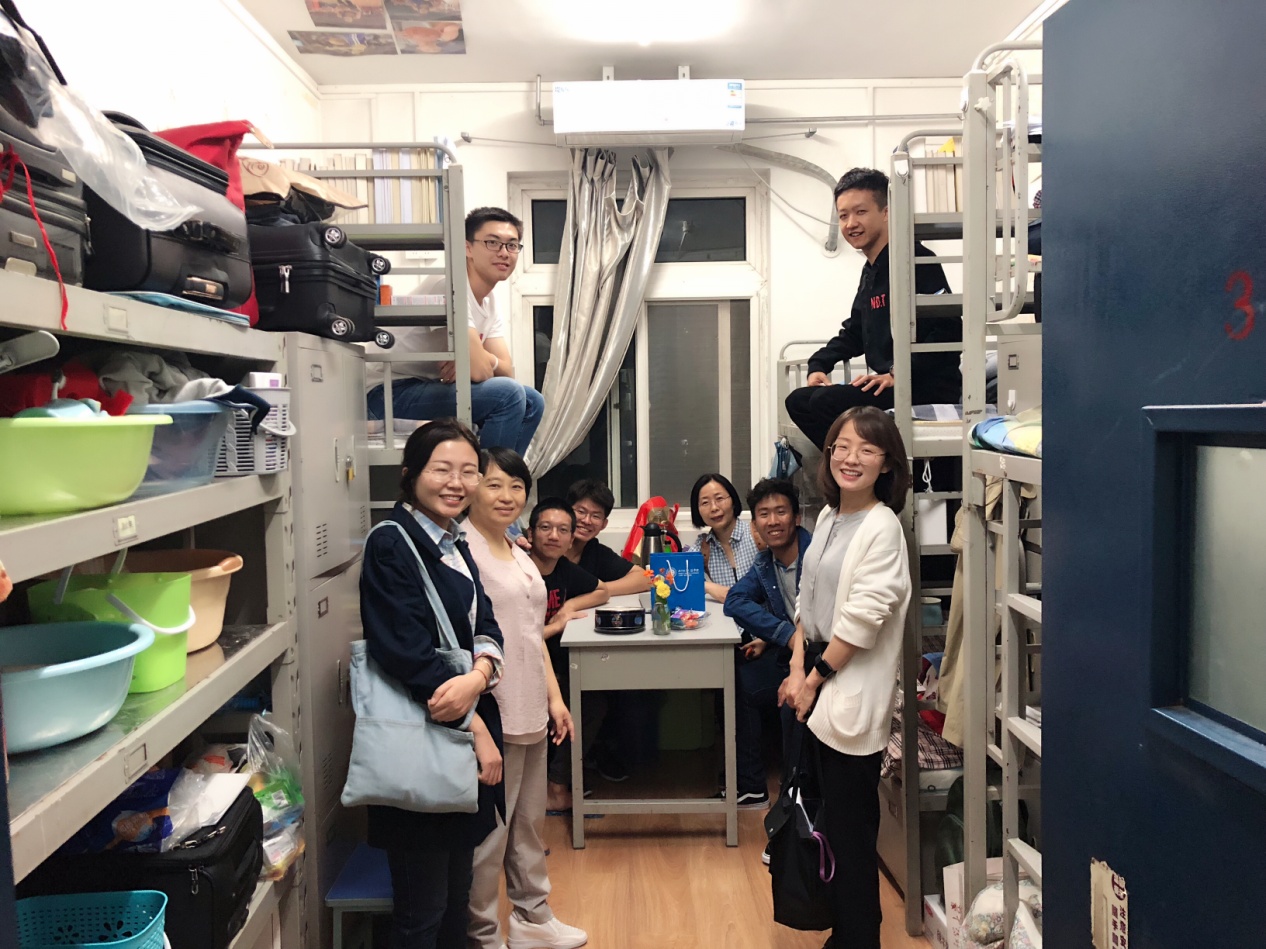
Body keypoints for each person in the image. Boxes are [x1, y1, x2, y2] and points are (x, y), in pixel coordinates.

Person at [359, 418, 507, 949]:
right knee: (421, 912)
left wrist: (480, 675)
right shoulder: (392, 544)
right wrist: (476, 725)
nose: (456, 483)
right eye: (442, 469)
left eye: (468, 471)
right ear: (410, 473)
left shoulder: (453, 540)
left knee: (454, 899)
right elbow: (404, 651)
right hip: (422, 742)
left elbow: (486, 624)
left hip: (456, 737)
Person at [777, 406, 912, 949]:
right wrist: (795, 668)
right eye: (842, 446)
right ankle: (843, 932)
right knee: (825, 821)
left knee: (852, 831)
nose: (851, 458)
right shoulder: (831, 517)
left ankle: (861, 938)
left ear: (887, 464)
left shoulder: (883, 527)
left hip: (845, 681)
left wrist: (811, 680)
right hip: (814, 673)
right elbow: (806, 600)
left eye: (867, 449)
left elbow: (862, 621)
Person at [463, 448, 588, 949]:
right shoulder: (462, 552)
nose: (507, 496)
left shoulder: (517, 552)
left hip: (532, 705)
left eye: (516, 486)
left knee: (529, 825)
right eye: (494, 484)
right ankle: (482, 934)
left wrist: (555, 700)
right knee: (490, 835)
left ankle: (533, 917)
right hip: (495, 710)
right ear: (472, 486)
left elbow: (532, 635)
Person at [784, 167, 962, 449]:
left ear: (886, 212)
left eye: (861, 212)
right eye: (843, 215)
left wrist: (897, 374)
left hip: (923, 385)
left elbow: (949, 330)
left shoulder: (916, 260)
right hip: (890, 384)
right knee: (799, 401)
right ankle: (855, 464)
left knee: (823, 402)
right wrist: (819, 364)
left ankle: (870, 463)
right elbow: (855, 331)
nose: (850, 223)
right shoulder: (871, 271)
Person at [366, 207, 544, 455]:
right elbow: (483, 372)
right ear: (467, 248)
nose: (504, 252)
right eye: (492, 242)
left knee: (533, 401)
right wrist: (474, 362)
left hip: (423, 387)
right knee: (508, 394)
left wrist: (476, 359)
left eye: (512, 245)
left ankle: (505, 473)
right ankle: (486, 475)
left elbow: (506, 370)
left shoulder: (489, 301)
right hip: (386, 393)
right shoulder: (449, 286)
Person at [722, 478, 814, 814]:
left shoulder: (817, 555)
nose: (772, 521)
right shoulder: (765, 564)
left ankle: (796, 801)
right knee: (741, 680)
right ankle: (751, 787)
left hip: (825, 656)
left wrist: (790, 644)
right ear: (755, 525)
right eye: (764, 514)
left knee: (792, 704)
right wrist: (782, 635)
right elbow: (735, 601)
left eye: (781, 512)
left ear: (796, 517)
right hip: (791, 652)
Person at [526, 497, 611, 813]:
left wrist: (569, 606)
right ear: (530, 533)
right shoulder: (520, 571)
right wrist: (556, 626)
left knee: (594, 698)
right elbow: (518, 639)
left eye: (563, 530)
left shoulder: (562, 568)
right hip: (521, 667)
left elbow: (602, 590)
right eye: (545, 528)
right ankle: (553, 789)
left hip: (554, 665)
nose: (554, 536)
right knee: (584, 703)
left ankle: (556, 785)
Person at [563, 479, 652, 596]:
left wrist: (598, 591)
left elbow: (645, 579)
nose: (587, 521)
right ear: (566, 512)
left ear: (604, 524)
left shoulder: (596, 552)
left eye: (596, 516)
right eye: (581, 511)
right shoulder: (549, 545)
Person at [687, 473, 760, 603]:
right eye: (705, 503)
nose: (714, 508)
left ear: (733, 501)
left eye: (719, 499)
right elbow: (674, 577)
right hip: (726, 616)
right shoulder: (703, 547)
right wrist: (706, 586)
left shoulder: (758, 534)